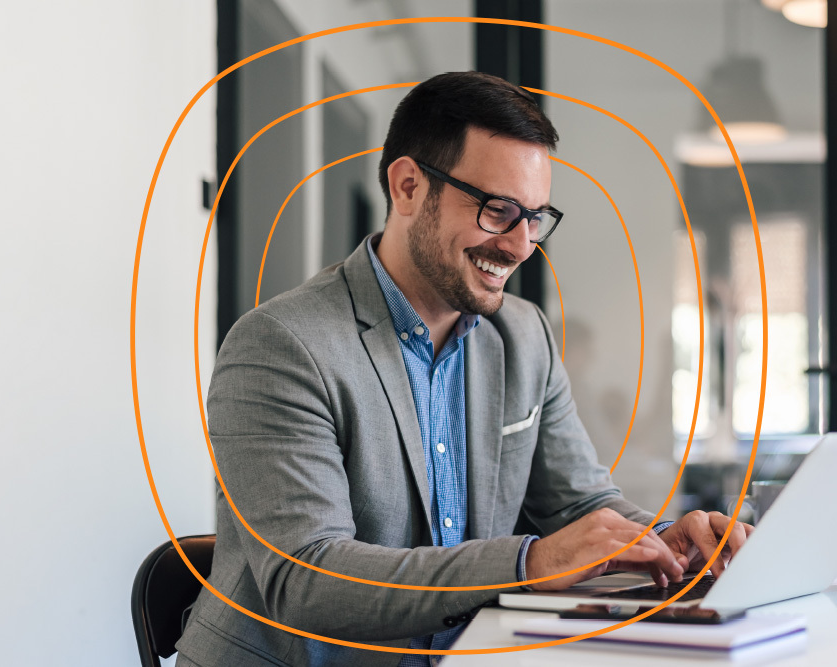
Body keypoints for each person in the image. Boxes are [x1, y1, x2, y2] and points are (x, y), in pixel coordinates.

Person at [174, 71, 752, 667]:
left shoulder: (524, 336)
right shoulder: (281, 346)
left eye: (535, 216)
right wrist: (528, 565)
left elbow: (581, 505)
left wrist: (668, 542)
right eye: (499, 211)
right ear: (406, 187)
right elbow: (306, 580)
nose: (521, 245)